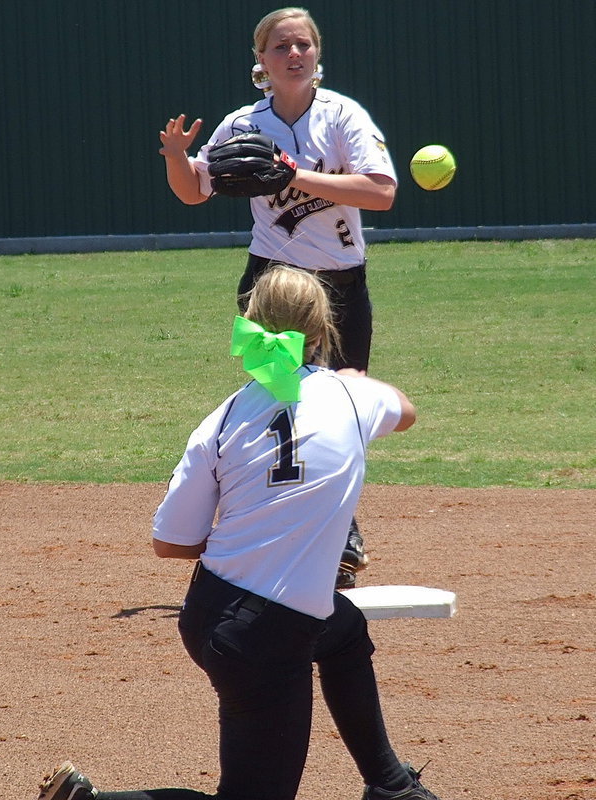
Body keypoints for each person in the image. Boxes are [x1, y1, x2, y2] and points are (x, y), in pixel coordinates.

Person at [35, 265, 443, 800]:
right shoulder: (353, 398)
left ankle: (391, 786)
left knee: (341, 629)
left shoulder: (221, 420)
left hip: (213, 614)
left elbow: (170, 543)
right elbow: (407, 413)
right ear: (321, 333)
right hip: (266, 641)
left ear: (249, 325)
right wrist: (356, 379)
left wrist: (254, 533)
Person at [159, 6, 399, 588]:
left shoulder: (343, 116)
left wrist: (289, 174)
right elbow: (195, 190)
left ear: (317, 55)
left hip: (339, 284)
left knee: (345, 404)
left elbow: (381, 192)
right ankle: (270, 524)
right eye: (281, 47)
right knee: (278, 403)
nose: (294, 54)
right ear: (261, 62)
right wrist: (175, 157)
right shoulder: (242, 123)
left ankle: (339, 530)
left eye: (303, 45)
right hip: (270, 284)